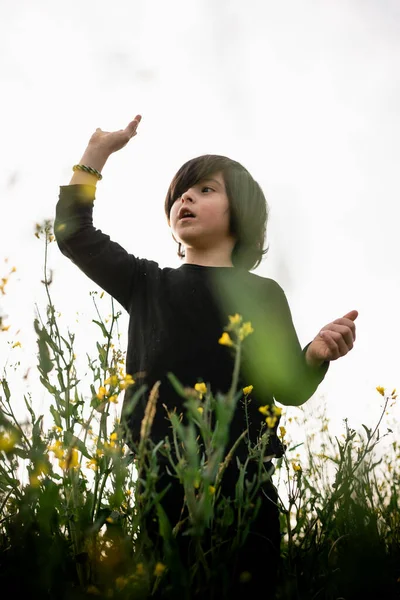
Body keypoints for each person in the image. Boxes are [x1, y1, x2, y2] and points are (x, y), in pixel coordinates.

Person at [54, 115, 331, 598]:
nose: (186, 198)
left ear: (239, 211)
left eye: (205, 190)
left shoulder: (263, 294)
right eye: (181, 193)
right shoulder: (147, 283)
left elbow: (290, 388)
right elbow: (73, 233)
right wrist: (94, 157)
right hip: (165, 481)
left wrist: (317, 354)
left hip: (247, 484)